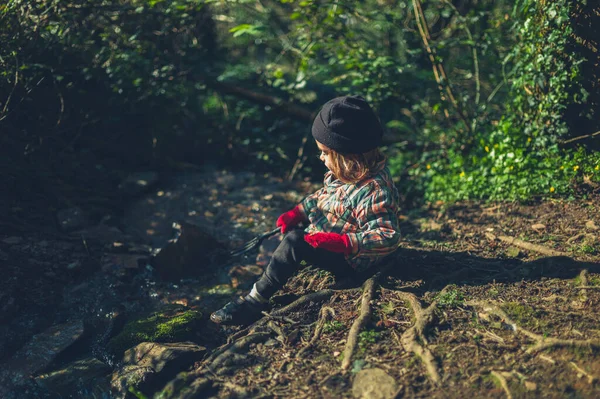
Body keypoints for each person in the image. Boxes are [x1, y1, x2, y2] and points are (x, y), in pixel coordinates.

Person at [210, 95, 401, 325]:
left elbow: (387, 236)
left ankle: (255, 300)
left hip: (354, 260)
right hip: (334, 238)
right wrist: (298, 212)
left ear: (348, 156)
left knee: (294, 242)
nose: (320, 157)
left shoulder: (375, 190)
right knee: (295, 235)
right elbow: (322, 198)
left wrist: (344, 243)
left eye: (325, 152)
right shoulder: (347, 173)